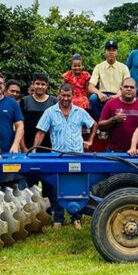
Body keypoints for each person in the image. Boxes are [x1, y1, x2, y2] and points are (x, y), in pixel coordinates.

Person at [34, 84, 96, 228]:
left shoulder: (80, 112)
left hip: (77, 156)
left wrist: (90, 140)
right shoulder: (50, 112)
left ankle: (76, 218)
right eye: (63, 95)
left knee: (77, 187)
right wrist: (34, 150)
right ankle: (58, 218)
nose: (66, 98)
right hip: (58, 157)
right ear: (59, 94)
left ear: (73, 95)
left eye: (69, 96)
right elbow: (41, 132)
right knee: (57, 188)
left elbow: (94, 124)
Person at [98, 78, 138, 152]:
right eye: (126, 86)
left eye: (132, 87)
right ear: (120, 89)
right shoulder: (110, 104)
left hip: (137, 152)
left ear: (136, 90)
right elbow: (100, 126)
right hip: (114, 151)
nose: (129, 89)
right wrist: (114, 119)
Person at [88, 40, 130, 118]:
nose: (111, 52)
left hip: (118, 95)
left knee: (122, 99)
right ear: (105, 52)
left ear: (117, 52)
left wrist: (118, 95)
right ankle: (101, 121)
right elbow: (90, 86)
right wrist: (99, 93)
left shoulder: (123, 67)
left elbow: (127, 85)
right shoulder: (99, 67)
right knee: (93, 98)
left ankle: (110, 122)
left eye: (113, 50)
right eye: (109, 50)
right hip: (103, 95)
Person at [20, 73, 57, 152]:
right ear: (33, 84)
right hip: (28, 146)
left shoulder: (53, 101)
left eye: (43, 84)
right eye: (37, 84)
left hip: (50, 147)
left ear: (47, 86)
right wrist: (23, 147)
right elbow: (20, 126)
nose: (40, 86)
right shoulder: (25, 101)